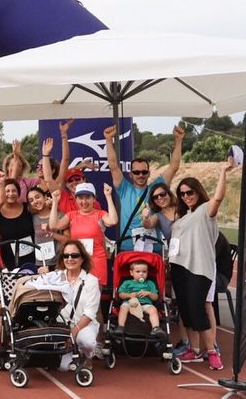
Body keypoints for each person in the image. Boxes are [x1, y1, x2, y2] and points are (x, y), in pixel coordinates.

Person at [169, 160, 235, 371]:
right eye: (182, 194)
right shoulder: (180, 218)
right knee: (186, 311)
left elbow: (218, 197)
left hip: (200, 268)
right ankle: (193, 350)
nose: (186, 196)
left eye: (190, 192)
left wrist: (223, 172)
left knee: (199, 310)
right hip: (179, 267)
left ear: (198, 192)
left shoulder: (206, 211)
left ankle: (212, 352)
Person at [106, 123, 186, 252]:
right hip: (128, 248)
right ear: (130, 174)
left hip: (154, 248)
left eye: (144, 172)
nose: (141, 175)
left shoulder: (157, 188)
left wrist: (178, 140)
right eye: (136, 172)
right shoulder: (124, 188)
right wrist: (109, 141)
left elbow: (174, 166)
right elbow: (113, 166)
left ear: (149, 173)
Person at [49, 182, 117, 288]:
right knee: (76, 296)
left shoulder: (100, 214)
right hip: (77, 261)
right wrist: (54, 202)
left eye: (88, 197)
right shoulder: (72, 215)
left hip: (96, 262)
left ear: (94, 199)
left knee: (94, 298)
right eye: (80, 198)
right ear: (76, 199)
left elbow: (113, 220)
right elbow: (54, 225)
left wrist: (108, 196)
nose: (84, 202)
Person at [52, 240, 102, 370]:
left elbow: (90, 313)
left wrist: (74, 332)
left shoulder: (92, 281)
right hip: (61, 326)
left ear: (82, 259)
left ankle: (87, 356)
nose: (70, 259)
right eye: (66, 256)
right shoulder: (55, 278)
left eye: (74, 255)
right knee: (63, 368)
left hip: (84, 325)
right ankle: (71, 351)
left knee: (88, 342)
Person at [116, 259, 164, 336]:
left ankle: (156, 327)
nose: (141, 274)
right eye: (138, 272)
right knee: (123, 308)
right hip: (130, 303)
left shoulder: (150, 283)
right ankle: (121, 326)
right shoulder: (127, 283)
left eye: (144, 272)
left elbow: (155, 297)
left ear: (147, 273)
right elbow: (121, 294)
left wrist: (148, 293)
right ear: (131, 273)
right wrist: (129, 295)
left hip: (145, 304)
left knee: (153, 310)